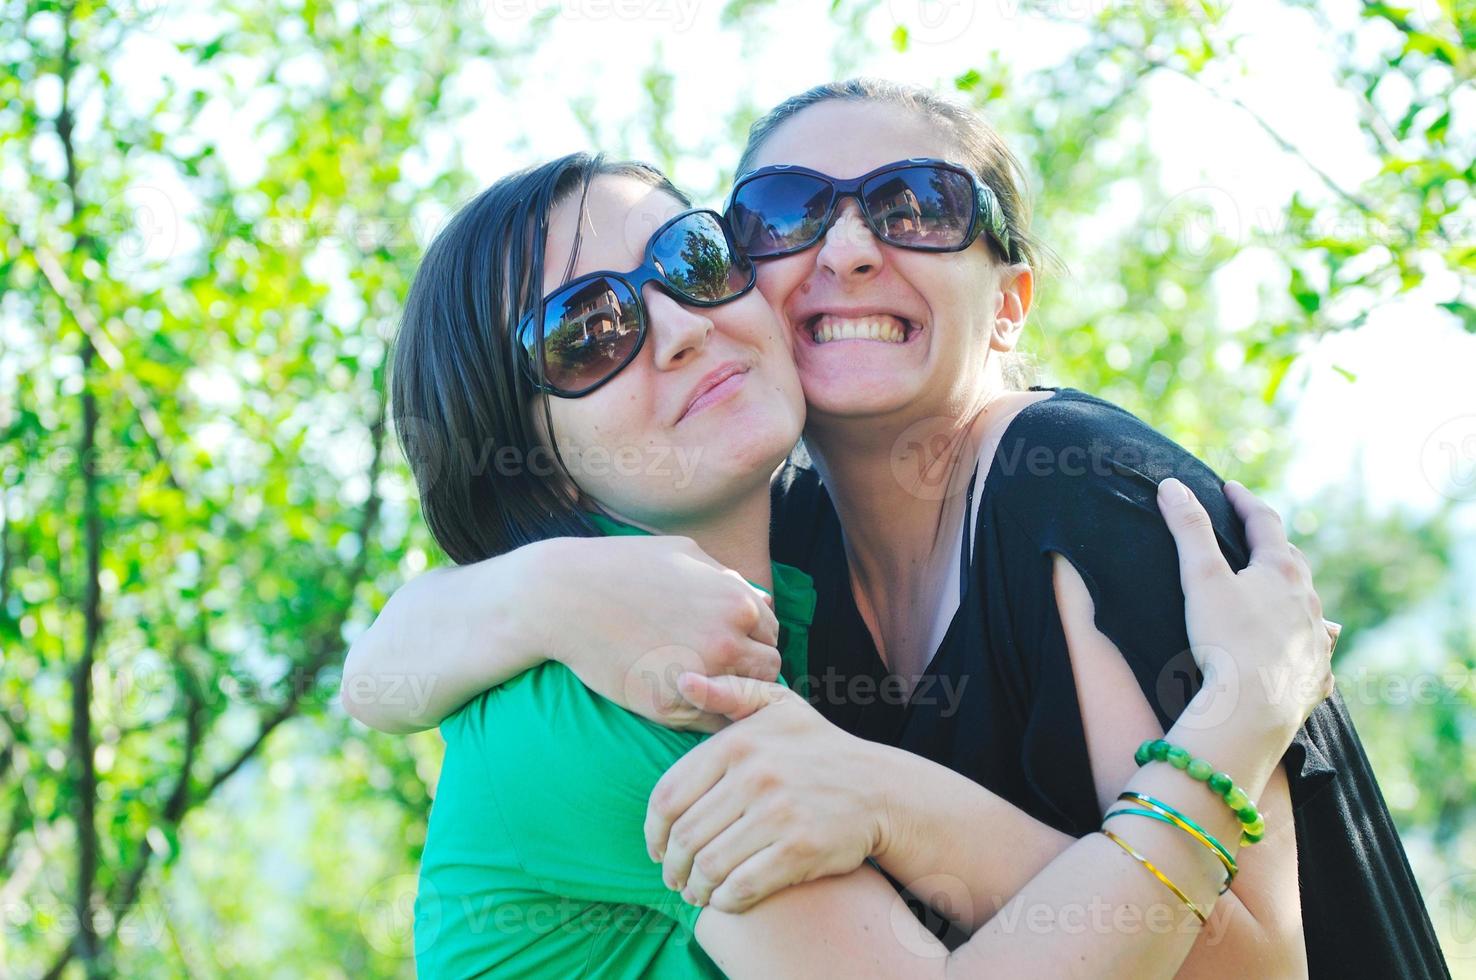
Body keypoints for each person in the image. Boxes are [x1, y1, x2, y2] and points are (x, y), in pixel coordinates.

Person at [354, 79, 1450, 978]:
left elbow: (1247, 967)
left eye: (690, 263)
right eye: (588, 333)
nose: (682, 327)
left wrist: (886, 800)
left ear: (1011, 300)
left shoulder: (1082, 494)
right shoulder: (638, 670)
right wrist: (1238, 715)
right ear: (526, 448)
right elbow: (378, 670)